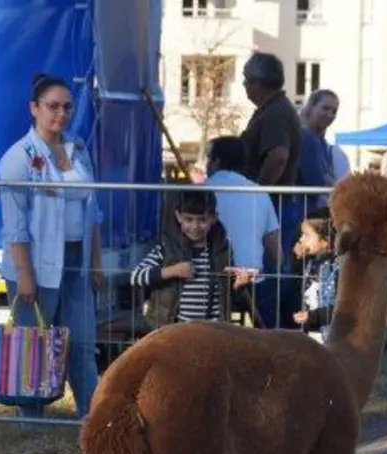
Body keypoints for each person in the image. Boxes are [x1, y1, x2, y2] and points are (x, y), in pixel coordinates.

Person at [0, 72, 106, 418]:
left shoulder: (79, 148)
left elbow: (93, 209)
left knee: (83, 344)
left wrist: (96, 260)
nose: (61, 114)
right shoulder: (17, 158)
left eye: (67, 107)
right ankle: (32, 425)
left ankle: (93, 418)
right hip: (35, 264)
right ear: (34, 108)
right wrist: (24, 275)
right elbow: (14, 225)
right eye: (53, 106)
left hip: (77, 260)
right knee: (33, 346)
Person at [240, 51, 304, 329]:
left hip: (273, 208)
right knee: (273, 278)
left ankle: (272, 337)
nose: (244, 85)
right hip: (276, 206)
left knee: (267, 281)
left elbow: (278, 155)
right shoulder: (276, 109)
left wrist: (257, 194)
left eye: (246, 80)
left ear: (258, 82)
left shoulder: (275, 113)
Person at [130, 191, 250, 326]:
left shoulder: (222, 251)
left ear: (213, 218)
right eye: (189, 219)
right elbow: (135, 276)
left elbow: (227, 295)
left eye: (202, 220)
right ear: (178, 217)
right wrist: (172, 271)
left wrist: (238, 286)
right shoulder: (167, 248)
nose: (195, 226)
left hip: (213, 329)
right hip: (176, 328)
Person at [204, 136, 280, 317]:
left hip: (207, 280)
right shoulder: (259, 193)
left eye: (208, 158)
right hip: (251, 280)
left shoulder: (199, 191)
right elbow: (276, 252)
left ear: (216, 161)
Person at [290, 206, 339, 344]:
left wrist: (313, 316)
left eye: (306, 235)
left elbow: (340, 308)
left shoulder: (337, 268)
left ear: (325, 241)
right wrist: (297, 260)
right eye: (301, 234)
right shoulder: (311, 262)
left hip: (331, 338)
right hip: (312, 336)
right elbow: (295, 285)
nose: (301, 239)